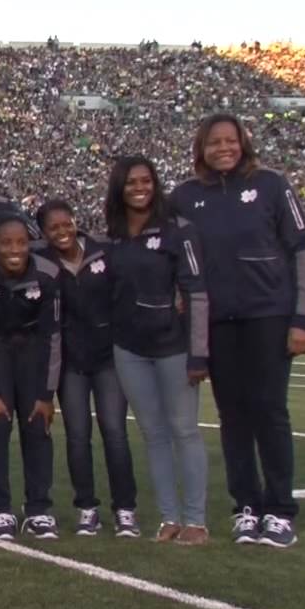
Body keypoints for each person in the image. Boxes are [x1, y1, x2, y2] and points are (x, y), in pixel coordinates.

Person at [170, 113, 305, 548]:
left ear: (243, 143)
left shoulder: (273, 185)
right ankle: (246, 506)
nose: (223, 149)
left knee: (269, 410)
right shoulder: (184, 197)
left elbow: (302, 249)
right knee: (232, 417)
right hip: (217, 321)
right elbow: (175, 262)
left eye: (230, 141)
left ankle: (280, 508)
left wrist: (303, 317)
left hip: (268, 315)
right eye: (214, 142)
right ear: (201, 149)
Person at [105, 156, 210, 546]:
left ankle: (196, 520)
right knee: (153, 434)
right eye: (131, 181)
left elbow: (196, 292)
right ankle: (169, 517)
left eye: (146, 180)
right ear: (119, 187)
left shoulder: (178, 230)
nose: (139, 187)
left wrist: (198, 353)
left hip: (172, 346)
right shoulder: (114, 234)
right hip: (129, 347)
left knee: (184, 430)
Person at [36, 200, 139, 538]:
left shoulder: (102, 251)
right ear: (43, 233)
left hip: (108, 358)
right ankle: (87, 508)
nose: (62, 231)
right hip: (70, 363)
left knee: (115, 434)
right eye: (54, 228)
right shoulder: (45, 264)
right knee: (78, 437)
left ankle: (125, 509)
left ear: (75, 221)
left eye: (66, 224)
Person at [0, 213, 62, 540]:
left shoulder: (47, 275)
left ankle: (39, 508)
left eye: (21, 242)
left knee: (37, 425)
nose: (15, 250)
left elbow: (52, 336)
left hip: (32, 353)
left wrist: (46, 394)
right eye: (6, 243)